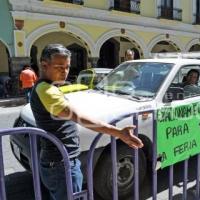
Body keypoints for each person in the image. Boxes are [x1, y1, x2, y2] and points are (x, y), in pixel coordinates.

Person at [30, 44, 143, 200]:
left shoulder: (50, 87)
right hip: (61, 164)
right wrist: (118, 133)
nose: (65, 71)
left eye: (67, 67)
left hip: (59, 161)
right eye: (59, 67)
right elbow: (80, 118)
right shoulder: (46, 90)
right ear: (44, 65)